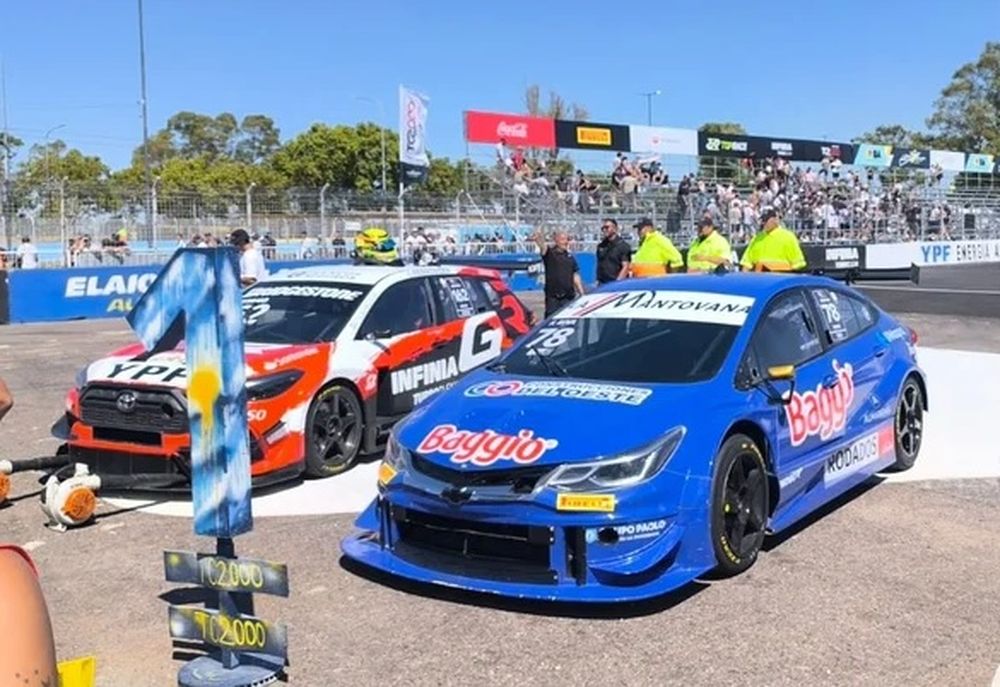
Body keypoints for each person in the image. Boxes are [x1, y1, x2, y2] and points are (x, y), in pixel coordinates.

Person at [532, 229, 584, 317]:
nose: (566, 242)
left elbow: (575, 275)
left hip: (568, 297)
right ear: (556, 240)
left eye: (567, 239)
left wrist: (582, 293)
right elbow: (543, 247)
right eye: (563, 240)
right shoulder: (550, 254)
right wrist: (538, 239)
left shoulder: (570, 257)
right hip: (553, 298)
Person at [740, 208, 807, 273]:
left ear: (776, 220)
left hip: (780, 279)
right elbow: (746, 263)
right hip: (760, 280)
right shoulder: (756, 239)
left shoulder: (787, 237)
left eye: (766, 220)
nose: (764, 223)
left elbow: (798, 264)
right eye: (763, 220)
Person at [595, 219, 631, 285]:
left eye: (607, 227)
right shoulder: (601, 246)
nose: (604, 230)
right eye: (602, 228)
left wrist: (617, 284)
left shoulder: (622, 246)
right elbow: (599, 265)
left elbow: (625, 267)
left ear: (615, 229)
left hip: (617, 283)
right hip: (602, 284)